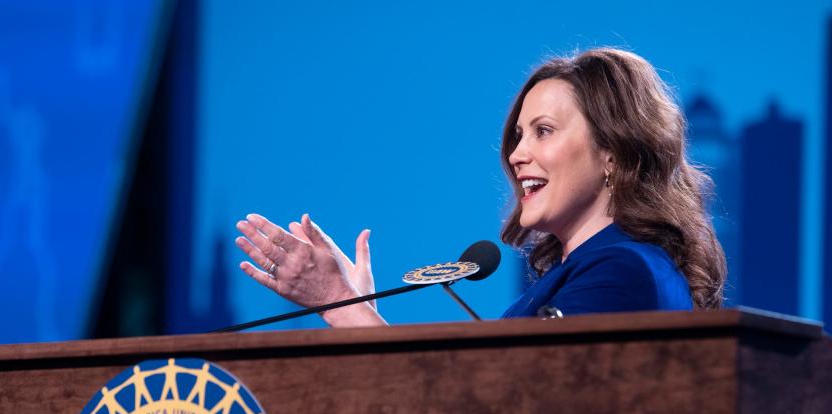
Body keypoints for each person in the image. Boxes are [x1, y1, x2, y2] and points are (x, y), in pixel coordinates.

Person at [234, 48, 726, 327]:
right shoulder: (608, 268)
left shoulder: (622, 270)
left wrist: (338, 302)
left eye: (544, 131)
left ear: (612, 154)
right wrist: (351, 308)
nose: (516, 155)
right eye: (517, 136)